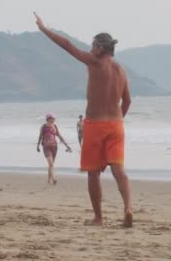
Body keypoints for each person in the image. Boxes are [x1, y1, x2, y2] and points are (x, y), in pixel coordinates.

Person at [35, 13, 133, 227]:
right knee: (119, 170)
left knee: (93, 173)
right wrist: (117, 121)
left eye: (92, 45)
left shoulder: (94, 62)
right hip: (116, 126)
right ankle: (127, 208)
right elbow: (127, 101)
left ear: (100, 48)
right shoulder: (121, 70)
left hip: (95, 125)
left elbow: (68, 46)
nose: (89, 49)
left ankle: (98, 218)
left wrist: (44, 29)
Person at [36, 113, 72, 185]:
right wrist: (37, 146)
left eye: (54, 118)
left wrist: (67, 146)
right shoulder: (43, 127)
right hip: (46, 147)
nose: (54, 119)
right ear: (48, 119)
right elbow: (40, 136)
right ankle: (54, 179)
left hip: (54, 147)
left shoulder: (55, 126)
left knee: (51, 165)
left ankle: (49, 180)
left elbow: (60, 136)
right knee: (51, 164)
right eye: (52, 118)